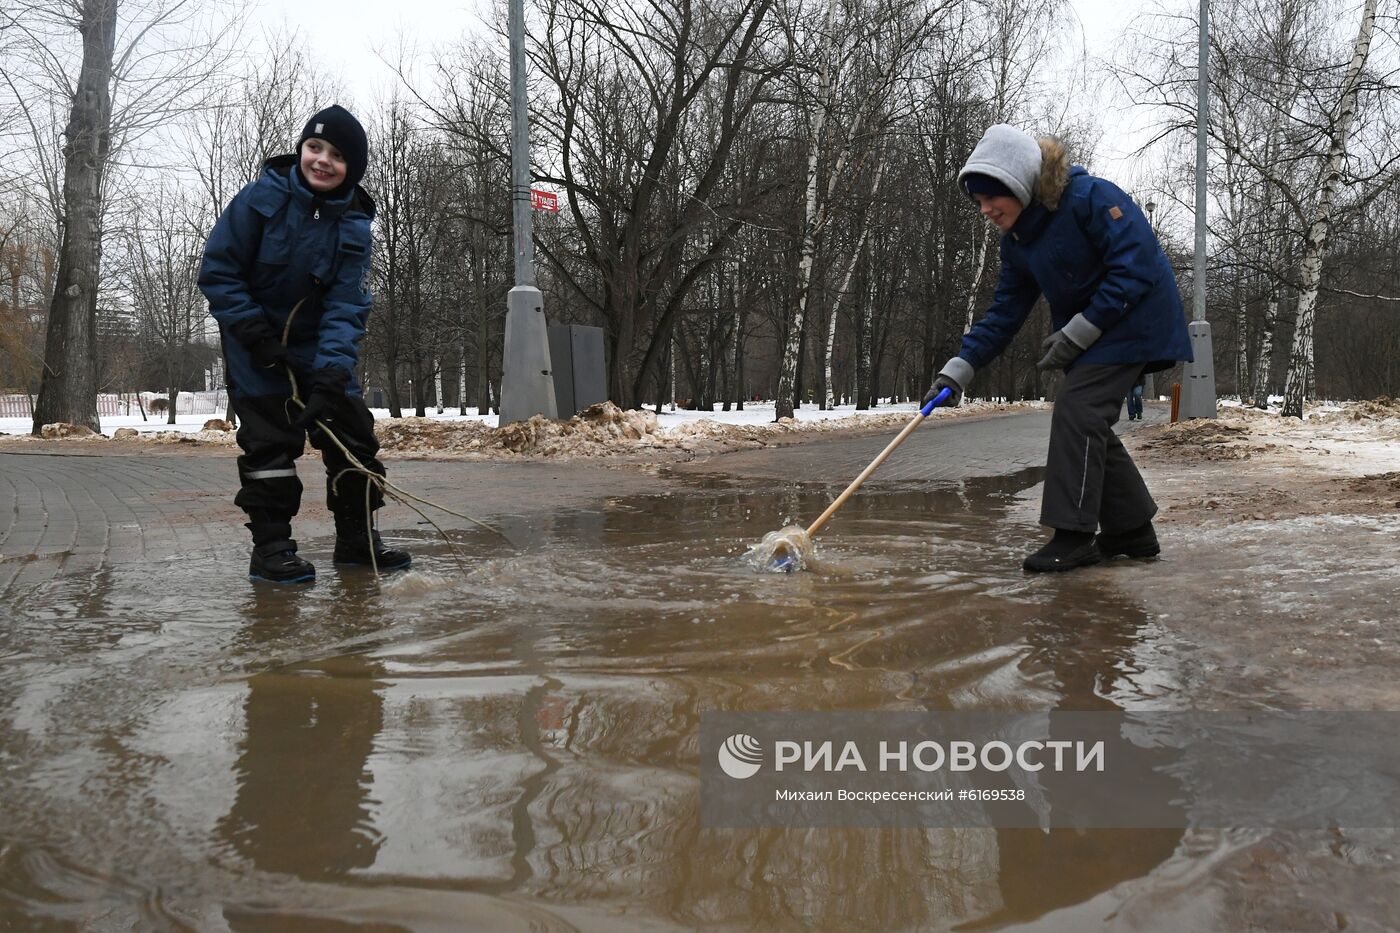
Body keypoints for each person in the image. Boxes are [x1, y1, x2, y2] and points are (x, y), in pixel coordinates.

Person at [925, 124, 1191, 572]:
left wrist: (1080, 330)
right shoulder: (1019, 242)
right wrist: (960, 368)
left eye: (993, 196)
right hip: (1098, 332)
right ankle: (1132, 533)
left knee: (1078, 409)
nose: (986, 209)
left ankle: (1074, 535)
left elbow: (1138, 265)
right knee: (1086, 423)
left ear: (1019, 183)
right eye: (979, 201)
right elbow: (1005, 313)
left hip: (1138, 319)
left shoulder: (1090, 198)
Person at [199, 105, 410, 583]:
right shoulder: (258, 200)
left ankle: (357, 542)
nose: (322, 160)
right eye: (314, 147)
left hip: (319, 349)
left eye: (336, 155)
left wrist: (333, 370)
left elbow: (346, 304)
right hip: (256, 347)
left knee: (354, 440)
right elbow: (218, 270)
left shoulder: (354, 226)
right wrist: (255, 334)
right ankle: (272, 551)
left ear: (350, 169)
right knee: (269, 447)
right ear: (300, 150)